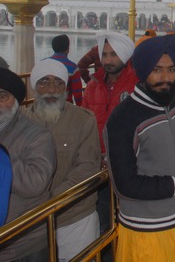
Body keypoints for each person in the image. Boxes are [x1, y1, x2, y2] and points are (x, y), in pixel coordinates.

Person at [104, 35, 175, 261]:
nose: (166, 78)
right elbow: (124, 185)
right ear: (144, 70)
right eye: (157, 70)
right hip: (146, 233)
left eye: (171, 70)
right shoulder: (123, 118)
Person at [25, 59, 101, 261]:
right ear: (34, 87)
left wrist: (49, 201)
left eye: (58, 83)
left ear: (66, 87)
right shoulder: (21, 121)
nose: (51, 90)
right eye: (44, 83)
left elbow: (87, 168)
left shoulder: (84, 119)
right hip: (30, 220)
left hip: (74, 214)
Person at [81, 31, 138, 234]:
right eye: (104, 55)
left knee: (130, 221)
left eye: (113, 54)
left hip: (130, 165)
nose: (108, 60)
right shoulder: (93, 86)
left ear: (124, 55)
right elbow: (85, 127)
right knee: (103, 220)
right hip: (100, 166)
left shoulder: (138, 84)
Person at [0, 68, 57, 261]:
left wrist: (3, 163)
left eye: (2, 96)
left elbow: (36, 183)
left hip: (22, 241)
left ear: (16, 102)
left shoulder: (37, 136)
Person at [50, 34, 84, 105]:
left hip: (45, 105)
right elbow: (77, 93)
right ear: (67, 49)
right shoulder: (72, 68)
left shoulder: (44, 63)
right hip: (65, 107)